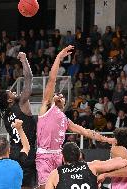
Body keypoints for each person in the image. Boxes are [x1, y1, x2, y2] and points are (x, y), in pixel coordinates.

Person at [36, 45, 115, 188]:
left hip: (60, 156)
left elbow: (86, 132)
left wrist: (107, 139)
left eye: (62, 96)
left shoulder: (65, 120)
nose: (60, 95)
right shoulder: (46, 108)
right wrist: (59, 58)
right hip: (45, 156)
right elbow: (52, 80)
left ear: (65, 103)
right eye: (57, 94)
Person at [0, 52, 36, 188]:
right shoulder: (22, 103)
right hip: (28, 151)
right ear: (9, 99)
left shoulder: (5, 116)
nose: (15, 93)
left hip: (14, 154)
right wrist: (25, 60)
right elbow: (29, 78)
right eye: (12, 92)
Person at [45, 142, 127, 189]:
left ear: (63, 158)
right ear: (79, 156)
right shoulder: (92, 166)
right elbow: (123, 162)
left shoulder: (55, 174)